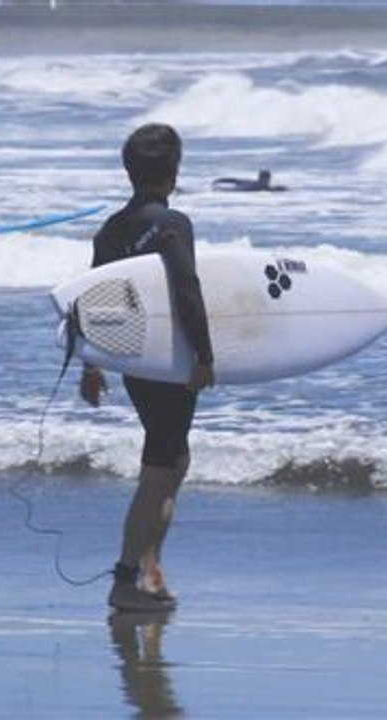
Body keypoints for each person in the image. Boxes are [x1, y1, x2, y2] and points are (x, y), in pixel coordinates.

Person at [80, 122, 215, 613]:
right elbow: (187, 289)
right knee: (160, 470)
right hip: (171, 361)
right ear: (173, 172)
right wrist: (204, 355)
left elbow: (96, 300)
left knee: (172, 462)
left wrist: (91, 365)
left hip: (137, 361)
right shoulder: (172, 223)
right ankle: (126, 580)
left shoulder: (111, 229)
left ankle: (150, 567)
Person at [211, 169, 286, 192]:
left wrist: (219, 180)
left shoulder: (250, 182)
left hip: (231, 190)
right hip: (235, 191)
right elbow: (234, 180)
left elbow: (234, 180)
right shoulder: (263, 187)